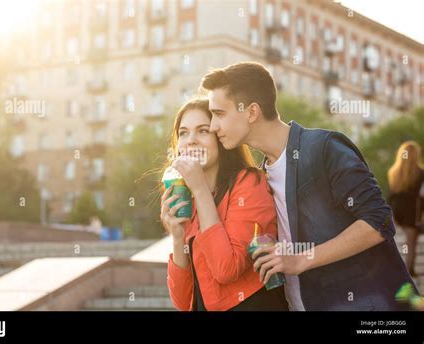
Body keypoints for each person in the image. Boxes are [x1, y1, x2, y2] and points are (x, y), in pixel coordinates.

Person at [200, 61, 418, 310]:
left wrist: (302, 258)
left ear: (251, 112)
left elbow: (379, 222)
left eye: (219, 114)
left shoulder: (323, 148)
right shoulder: (259, 178)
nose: (214, 126)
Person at [160, 98, 288, 311]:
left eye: (202, 131)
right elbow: (184, 302)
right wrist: (177, 236)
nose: (191, 140)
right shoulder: (186, 199)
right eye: (183, 133)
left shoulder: (249, 183)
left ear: (219, 137)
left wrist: (200, 190)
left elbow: (226, 268)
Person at [388, 141, 424, 277]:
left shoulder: (394, 172)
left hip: (396, 210)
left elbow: (391, 193)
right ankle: (408, 272)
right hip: (411, 211)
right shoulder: (420, 173)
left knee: (398, 242)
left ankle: (400, 270)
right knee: (411, 243)